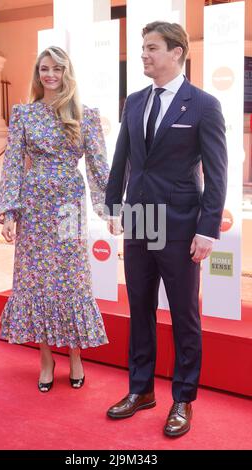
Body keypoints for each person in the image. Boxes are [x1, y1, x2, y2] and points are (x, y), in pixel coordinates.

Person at [105, 21, 227, 437]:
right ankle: (141, 390)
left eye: (151, 47)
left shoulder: (203, 105)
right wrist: (112, 204)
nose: (143, 54)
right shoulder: (135, 101)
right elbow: (122, 157)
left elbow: (217, 172)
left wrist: (208, 229)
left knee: (183, 315)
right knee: (139, 309)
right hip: (139, 220)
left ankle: (183, 399)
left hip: (178, 224)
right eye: (142, 47)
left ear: (177, 53)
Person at [0, 46, 109, 392]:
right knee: (36, 280)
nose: (50, 75)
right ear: (38, 73)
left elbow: (98, 167)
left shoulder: (85, 115)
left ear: (66, 73)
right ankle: (46, 357)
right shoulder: (24, 115)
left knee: (70, 277)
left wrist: (111, 210)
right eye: (44, 68)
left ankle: (75, 355)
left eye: (57, 69)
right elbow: (13, 165)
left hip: (68, 207)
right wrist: (9, 213)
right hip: (33, 205)